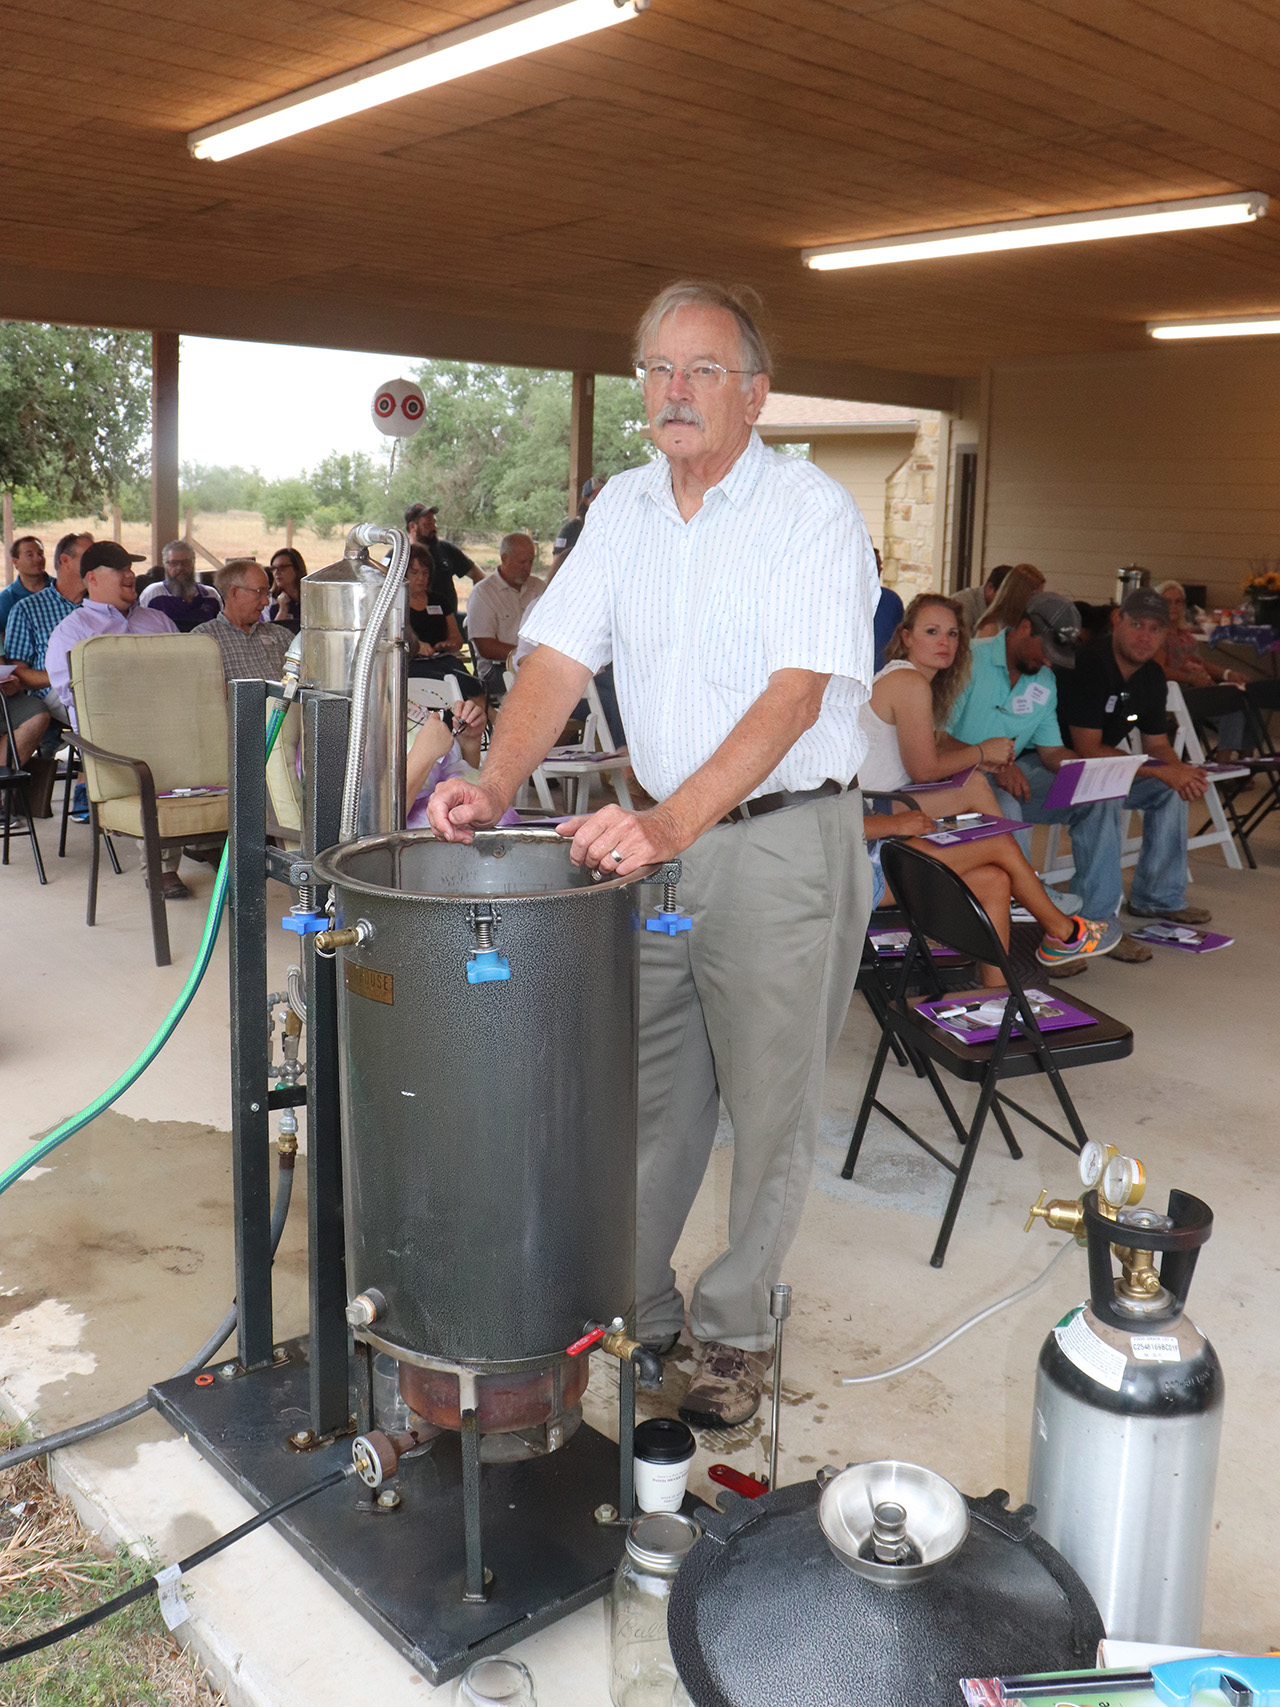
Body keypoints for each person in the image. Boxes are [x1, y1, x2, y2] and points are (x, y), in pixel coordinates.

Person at [428, 278, 877, 1431]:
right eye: (657, 371)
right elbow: (557, 660)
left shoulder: (809, 513)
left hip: (778, 844)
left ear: (754, 394)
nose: (675, 393)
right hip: (657, 848)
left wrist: (670, 823)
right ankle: (637, 1302)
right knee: (645, 1091)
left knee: (771, 1107)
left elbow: (793, 697)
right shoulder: (623, 510)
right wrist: (492, 781)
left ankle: (734, 1335)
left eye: (703, 371)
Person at [861, 595, 1119, 975]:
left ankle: (997, 994)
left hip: (888, 809)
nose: (944, 642)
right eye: (931, 632)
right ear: (906, 636)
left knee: (996, 871)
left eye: (951, 633)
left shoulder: (916, 683)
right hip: (872, 822)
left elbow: (930, 755)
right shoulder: (907, 681)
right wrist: (982, 752)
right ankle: (1058, 928)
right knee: (991, 825)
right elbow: (924, 770)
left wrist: (979, 759)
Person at [979, 588, 1214, 953]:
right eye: (1137, 624)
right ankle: (1081, 922)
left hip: (1081, 765)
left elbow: (1156, 746)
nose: (1145, 636)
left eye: (1155, 629)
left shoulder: (1150, 676)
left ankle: (1156, 897)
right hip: (1039, 764)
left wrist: (1180, 771)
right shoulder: (1087, 663)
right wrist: (1159, 770)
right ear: (1117, 620)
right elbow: (1086, 749)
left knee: (1170, 788)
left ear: (1166, 633)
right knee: (1105, 791)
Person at [43, 542, 191, 899]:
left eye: (131, 567)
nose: (131, 574)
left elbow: (184, 678)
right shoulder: (72, 632)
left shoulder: (157, 620)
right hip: (111, 740)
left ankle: (212, 839)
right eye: (120, 568)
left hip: (169, 727)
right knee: (155, 760)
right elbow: (78, 700)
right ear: (91, 578)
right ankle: (162, 867)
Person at [3, 531, 92, 728]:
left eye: (40, 553)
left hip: (101, 683)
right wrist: (70, 676)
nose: (97, 562)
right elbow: (18, 672)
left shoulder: (99, 605)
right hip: (56, 691)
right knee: (100, 712)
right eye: (89, 556)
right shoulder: (26, 608)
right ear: (65, 561)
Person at [1154, 579, 1248, 757]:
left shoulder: (1185, 634)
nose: (1173, 606)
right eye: (1167, 602)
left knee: (1243, 699)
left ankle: (1243, 763)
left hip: (1199, 689)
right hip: (1178, 695)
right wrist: (1191, 679)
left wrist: (1228, 674)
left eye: (1178, 601)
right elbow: (1159, 670)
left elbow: (1199, 662)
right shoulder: (1157, 633)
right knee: (1232, 704)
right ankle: (1224, 764)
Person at [464, 533, 544, 695]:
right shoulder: (483, 592)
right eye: (522, 562)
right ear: (504, 558)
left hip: (538, 664)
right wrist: (524, 656)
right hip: (497, 669)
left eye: (530, 562)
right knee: (543, 686)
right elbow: (486, 647)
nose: (527, 568)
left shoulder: (539, 587)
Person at [404, 544, 485, 701]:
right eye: (414, 573)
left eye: (425, 573)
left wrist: (445, 645)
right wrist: (416, 646)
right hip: (411, 664)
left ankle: (483, 713)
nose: (421, 578)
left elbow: (457, 641)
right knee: (452, 677)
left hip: (442, 660)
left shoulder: (439, 601)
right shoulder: (396, 603)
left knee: (461, 673)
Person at [193, 561, 292, 682]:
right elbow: (200, 691)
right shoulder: (204, 639)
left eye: (267, 593)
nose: (266, 602)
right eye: (259, 592)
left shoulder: (281, 635)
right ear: (234, 592)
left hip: (284, 701)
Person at [139, 539, 222, 632]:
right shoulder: (153, 593)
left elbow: (221, 627)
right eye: (173, 563)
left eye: (185, 563)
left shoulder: (210, 595)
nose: (180, 568)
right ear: (164, 566)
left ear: (193, 563)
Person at [404, 502, 482, 584]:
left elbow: (479, 576)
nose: (433, 528)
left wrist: (478, 595)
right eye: (428, 524)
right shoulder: (398, 555)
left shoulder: (447, 549)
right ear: (412, 527)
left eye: (434, 523)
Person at [0, 535, 51, 640]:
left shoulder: (58, 588)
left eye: (40, 554)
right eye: (30, 555)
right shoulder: (7, 598)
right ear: (15, 562)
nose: (38, 559)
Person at [551, 476, 606, 572]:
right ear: (585, 500)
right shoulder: (571, 529)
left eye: (605, 497)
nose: (602, 502)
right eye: (597, 497)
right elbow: (557, 562)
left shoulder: (608, 529)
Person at [976, 563, 1045, 638]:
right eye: (1033, 595)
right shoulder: (991, 627)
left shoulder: (1026, 621)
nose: (1038, 600)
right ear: (1019, 595)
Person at [871, 549, 904, 673]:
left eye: (879, 566)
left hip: (884, 678)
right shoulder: (837, 605)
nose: (879, 570)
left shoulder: (890, 601)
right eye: (873, 565)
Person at [955, 565, 1013, 634]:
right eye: (1004, 596)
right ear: (990, 587)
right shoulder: (962, 603)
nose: (1008, 602)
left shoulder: (1004, 610)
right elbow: (961, 641)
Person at [267, 547, 307, 634]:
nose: (276, 573)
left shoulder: (311, 598)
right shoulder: (272, 601)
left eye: (282, 567)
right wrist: (282, 610)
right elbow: (272, 635)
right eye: (273, 569)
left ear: (297, 569)